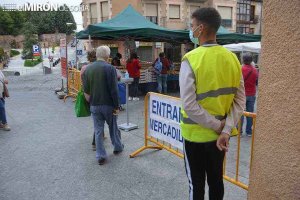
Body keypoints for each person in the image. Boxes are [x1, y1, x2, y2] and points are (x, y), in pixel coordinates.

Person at [179, 8, 246, 200]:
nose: (190, 31)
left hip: (195, 137)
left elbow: (189, 105)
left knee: (196, 185)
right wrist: (225, 130)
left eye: (192, 26)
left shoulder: (190, 59)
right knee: (216, 181)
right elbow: (240, 100)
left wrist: (218, 127)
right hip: (221, 139)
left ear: (200, 29)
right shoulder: (232, 58)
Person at [82, 46, 124, 165]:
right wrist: (117, 105)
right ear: (107, 56)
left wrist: (90, 103)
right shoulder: (110, 68)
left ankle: (100, 155)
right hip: (109, 105)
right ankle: (117, 147)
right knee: (113, 127)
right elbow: (114, 89)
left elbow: (86, 90)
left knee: (98, 130)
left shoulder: (88, 69)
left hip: (94, 104)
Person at [80, 50, 98, 151]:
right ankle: (95, 142)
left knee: (96, 117)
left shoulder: (84, 68)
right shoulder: (98, 67)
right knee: (98, 120)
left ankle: (100, 135)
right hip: (97, 95)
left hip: (87, 95)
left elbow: (82, 82)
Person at [241, 53, 258, 137]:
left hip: (242, 94)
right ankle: (248, 132)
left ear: (243, 60)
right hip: (252, 94)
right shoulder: (255, 70)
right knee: (250, 113)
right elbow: (256, 82)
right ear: (251, 60)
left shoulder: (240, 69)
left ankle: (239, 131)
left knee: (240, 112)